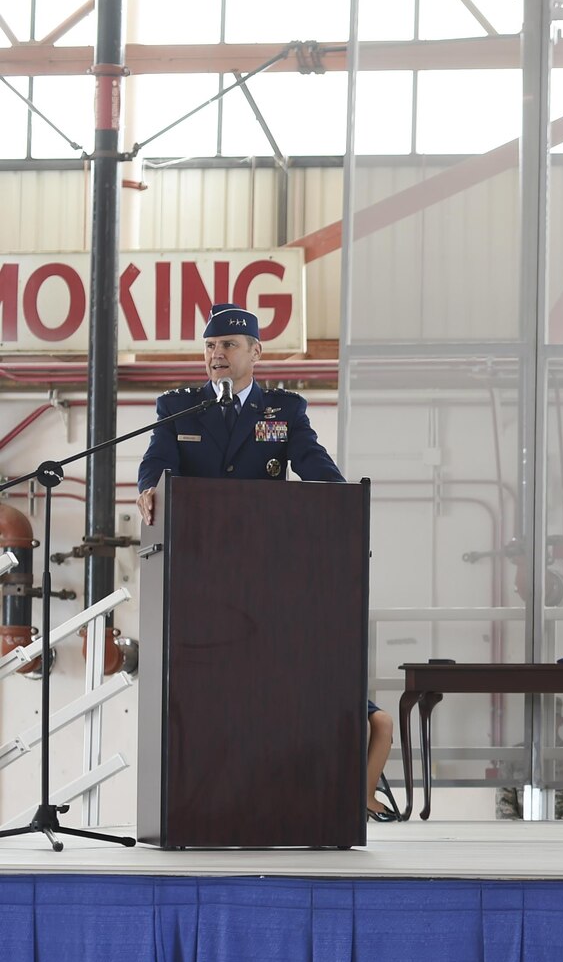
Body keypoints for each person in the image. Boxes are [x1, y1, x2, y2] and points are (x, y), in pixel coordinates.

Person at [135, 307, 393, 820]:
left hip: (267, 570)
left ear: (256, 352)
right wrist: (148, 487)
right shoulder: (178, 407)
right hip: (200, 572)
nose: (216, 356)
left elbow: (311, 460)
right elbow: (158, 459)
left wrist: (342, 502)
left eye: (229, 345)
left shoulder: (284, 409)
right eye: (210, 347)